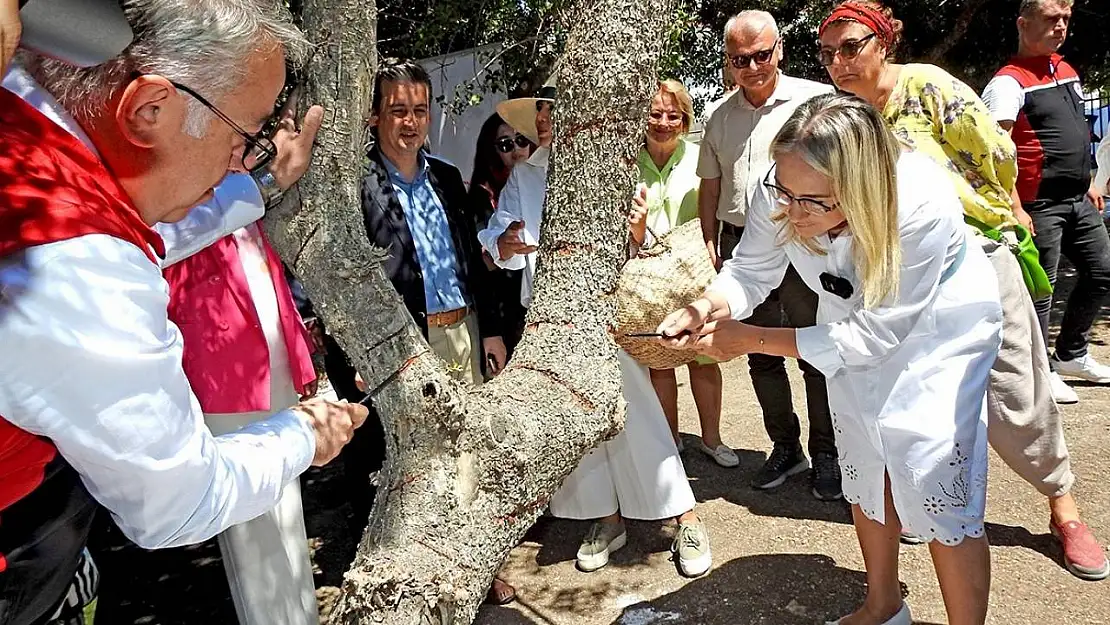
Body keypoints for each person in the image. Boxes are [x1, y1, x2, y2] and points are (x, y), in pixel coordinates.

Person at [0, 2, 368, 624]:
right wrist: (305, 435)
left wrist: (259, 187)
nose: (237, 161)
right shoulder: (76, 268)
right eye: (242, 135)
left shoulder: (29, 105)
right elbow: (178, 504)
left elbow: (145, 236)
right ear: (148, 108)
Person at [662, 93, 1002, 625]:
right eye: (785, 191)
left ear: (861, 187)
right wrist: (706, 305)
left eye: (813, 202)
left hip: (939, 330)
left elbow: (876, 333)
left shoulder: (920, 204)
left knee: (934, 472)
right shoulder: (785, 186)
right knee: (866, 457)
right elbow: (752, 269)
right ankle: (883, 604)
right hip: (847, 317)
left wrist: (749, 339)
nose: (792, 213)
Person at [816, 0, 1107, 582]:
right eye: (828, 54)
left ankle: (1064, 507)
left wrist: (997, 212)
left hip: (975, 257)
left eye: (853, 47)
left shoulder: (927, 87)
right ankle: (922, 507)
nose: (840, 63)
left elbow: (995, 152)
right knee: (907, 398)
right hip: (893, 272)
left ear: (884, 43)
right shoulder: (843, 115)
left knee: (1015, 389)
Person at [478, 85, 713, 579]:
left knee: (641, 417)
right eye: (540, 111)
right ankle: (606, 519)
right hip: (549, 319)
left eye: (554, 110)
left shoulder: (612, 167)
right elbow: (495, 243)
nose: (545, 120)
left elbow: (647, 248)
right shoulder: (524, 173)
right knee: (578, 430)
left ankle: (684, 516)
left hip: (607, 313)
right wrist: (504, 243)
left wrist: (637, 229)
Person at [698, 10, 840, 500]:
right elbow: (710, 185)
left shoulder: (815, 101)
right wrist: (709, 240)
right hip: (747, 240)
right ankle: (785, 447)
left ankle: (828, 453)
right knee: (757, 352)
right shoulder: (718, 116)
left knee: (816, 349)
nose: (753, 66)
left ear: (779, 49)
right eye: (741, 59)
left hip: (808, 241)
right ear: (729, 61)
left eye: (762, 54)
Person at [159, 201, 323, 621]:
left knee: (288, 516)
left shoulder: (247, 205)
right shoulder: (180, 209)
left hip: (275, 373)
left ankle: (301, 616)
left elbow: (277, 291)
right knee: (251, 531)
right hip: (223, 386)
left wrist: (300, 358)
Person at [982, 0, 1110, 391]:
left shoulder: (1067, 70)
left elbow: (1075, 130)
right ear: (1023, 23)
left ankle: (1071, 354)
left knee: (1102, 271)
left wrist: (1090, 179)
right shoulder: (1007, 83)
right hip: (1037, 204)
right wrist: (1014, 206)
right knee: (1041, 290)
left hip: (1077, 197)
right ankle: (1041, 373)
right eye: (1051, 19)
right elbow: (992, 151)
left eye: (1066, 20)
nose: (1060, 27)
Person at [633, 79, 734, 467]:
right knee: (659, 357)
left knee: (702, 356)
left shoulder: (699, 160)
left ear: (685, 120)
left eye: (673, 115)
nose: (663, 122)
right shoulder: (628, 162)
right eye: (655, 114)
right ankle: (670, 440)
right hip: (646, 276)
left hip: (693, 271)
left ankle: (713, 439)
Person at [468, 112, 532, 363]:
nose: (516, 150)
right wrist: (502, 247)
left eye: (522, 140)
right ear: (492, 151)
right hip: (503, 314)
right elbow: (481, 266)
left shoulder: (545, 185)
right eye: (506, 144)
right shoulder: (480, 199)